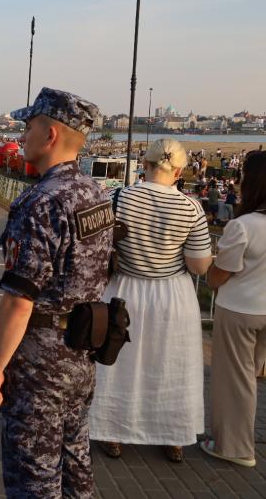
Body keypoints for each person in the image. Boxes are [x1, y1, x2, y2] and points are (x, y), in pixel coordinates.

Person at [0, 88, 113, 497]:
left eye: (29, 126)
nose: (22, 135)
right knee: (75, 466)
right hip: (81, 350)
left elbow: (20, 299)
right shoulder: (96, 194)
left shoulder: (41, 203)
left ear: (50, 134)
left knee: (33, 475)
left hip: (41, 359)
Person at [90, 139, 212, 463]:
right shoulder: (191, 208)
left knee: (119, 364)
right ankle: (172, 436)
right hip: (172, 294)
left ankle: (111, 432)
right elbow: (199, 264)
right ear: (180, 170)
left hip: (124, 290)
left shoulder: (118, 197)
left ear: (145, 164)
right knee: (170, 365)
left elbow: (98, 242)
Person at [201, 151, 266, 468]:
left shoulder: (244, 226)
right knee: (250, 377)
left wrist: (210, 271)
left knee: (232, 380)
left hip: (240, 309)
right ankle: (239, 441)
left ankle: (234, 446)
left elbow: (218, 275)